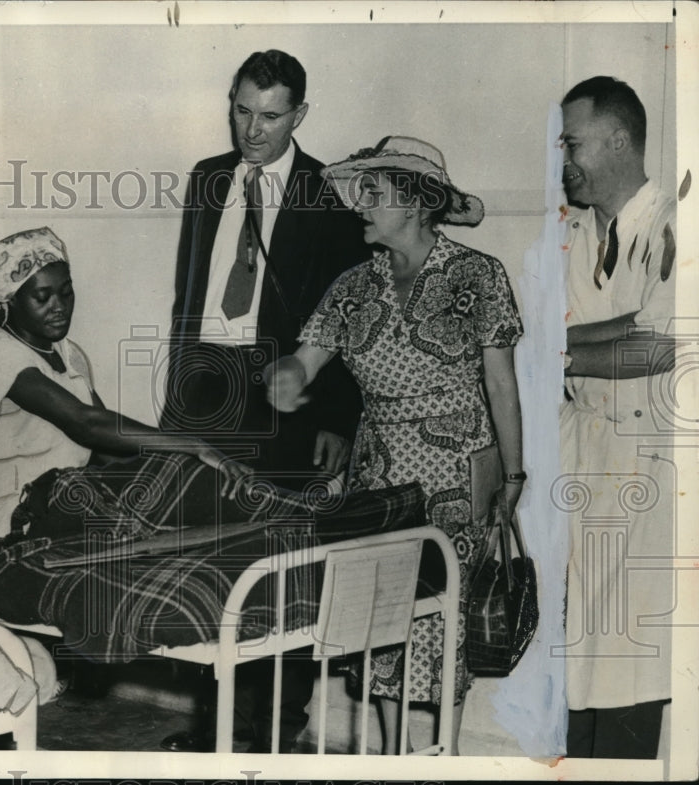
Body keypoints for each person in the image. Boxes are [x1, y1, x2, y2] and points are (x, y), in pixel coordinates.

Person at [267, 136, 525, 755]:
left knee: (446, 615)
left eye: (373, 193)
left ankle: (446, 754)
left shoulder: (477, 274)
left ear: (413, 202)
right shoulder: (354, 285)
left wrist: (514, 477)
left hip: (458, 471)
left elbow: (501, 383)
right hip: (378, 473)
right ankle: (388, 758)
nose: (360, 205)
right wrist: (286, 380)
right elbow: (307, 360)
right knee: (381, 619)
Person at [160, 49, 365, 753]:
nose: (253, 129)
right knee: (204, 557)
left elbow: (348, 315)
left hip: (285, 391)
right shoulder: (208, 179)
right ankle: (213, 726)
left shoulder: (326, 192)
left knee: (283, 563)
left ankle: (277, 730)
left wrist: (338, 416)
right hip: (206, 386)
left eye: (270, 116)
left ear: (299, 115)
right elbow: (188, 298)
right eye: (242, 111)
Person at [0, 227, 252, 543]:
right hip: (11, 517)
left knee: (191, 494)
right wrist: (195, 445)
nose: (59, 306)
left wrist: (172, 471)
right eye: (42, 298)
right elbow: (87, 423)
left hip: (66, 501)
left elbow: (105, 447)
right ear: (11, 302)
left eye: (66, 292)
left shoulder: (67, 353)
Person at [558, 76, 675, 760]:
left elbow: (660, 344)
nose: (564, 156)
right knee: (576, 660)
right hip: (580, 462)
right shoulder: (572, 234)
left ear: (620, 139)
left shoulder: (674, 225)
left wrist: (560, 350)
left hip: (648, 468)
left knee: (631, 659)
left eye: (574, 141)